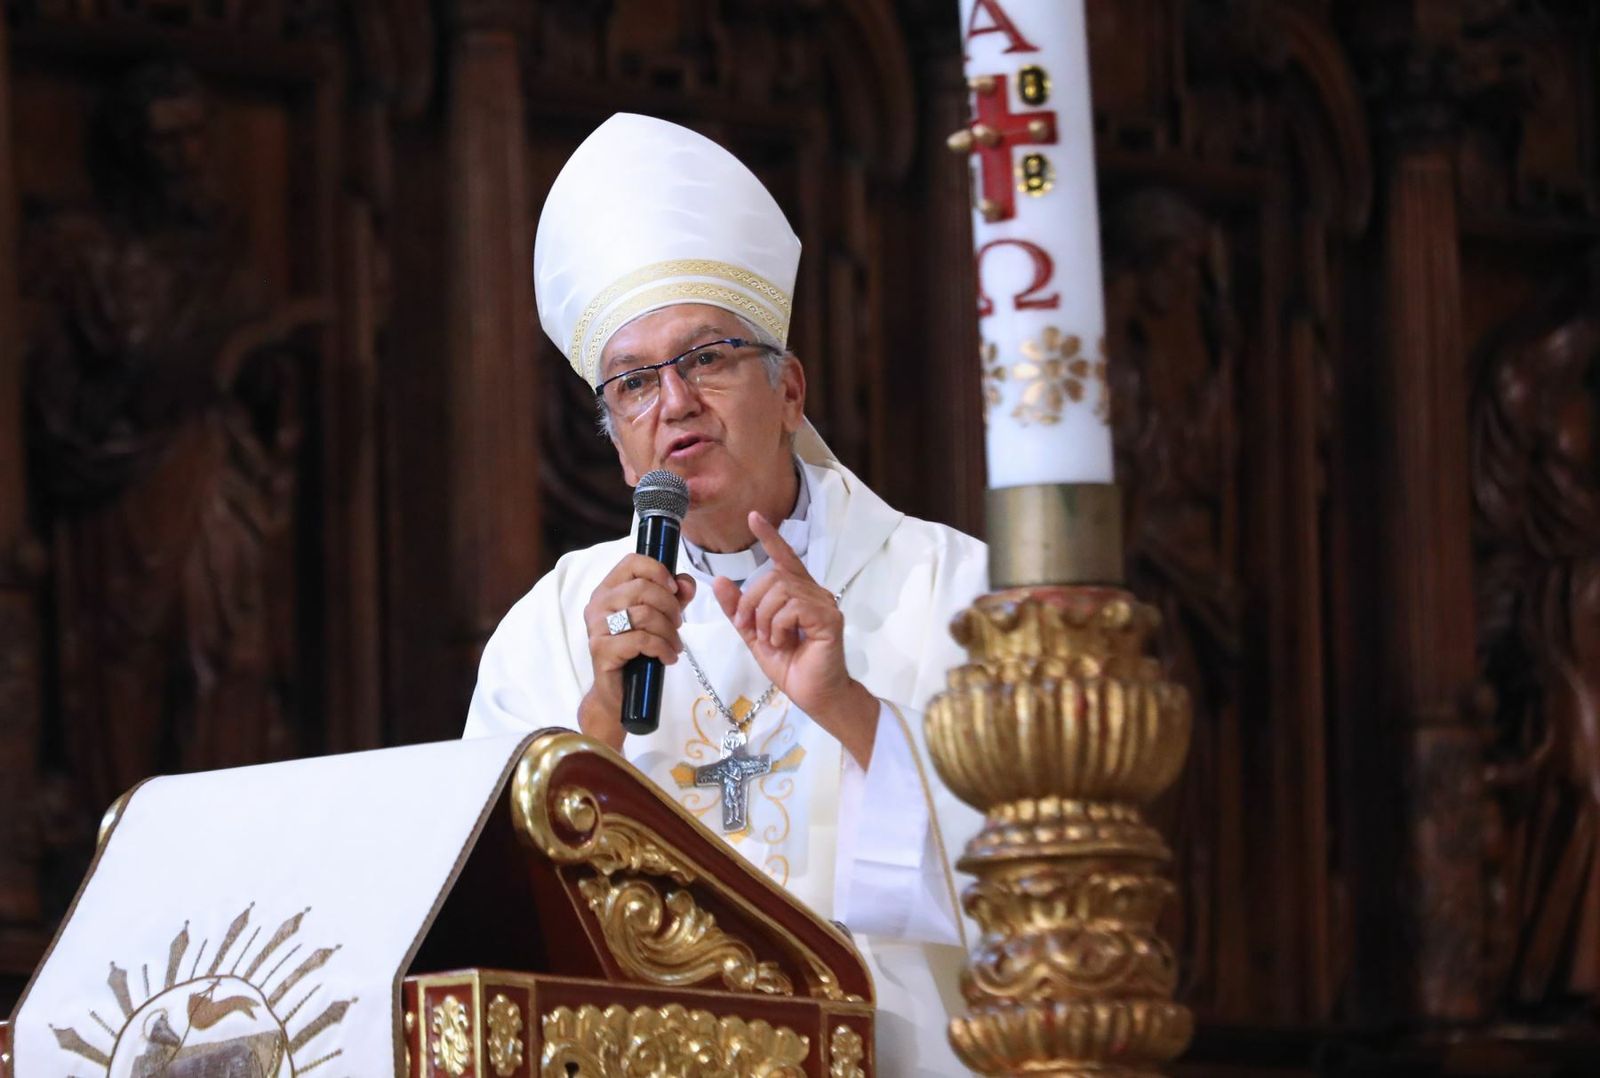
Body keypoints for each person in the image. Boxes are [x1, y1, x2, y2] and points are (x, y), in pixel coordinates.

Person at [465, 113, 985, 1074]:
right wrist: (597, 734)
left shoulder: (949, 587)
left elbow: (1020, 884)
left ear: (789, 390)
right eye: (632, 382)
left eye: (706, 359)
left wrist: (849, 711)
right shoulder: (549, 630)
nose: (674, 403)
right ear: (617, 437)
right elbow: (488, 925)